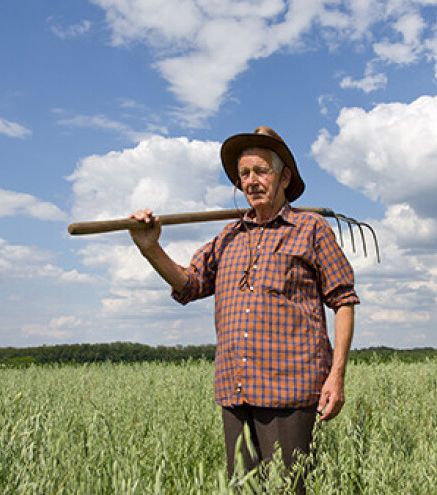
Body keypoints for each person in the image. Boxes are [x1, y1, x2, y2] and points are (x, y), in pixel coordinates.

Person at [129, 126, 359, 493]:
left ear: (285, 177)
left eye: (261, 171)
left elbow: (343, 300)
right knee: (243, 489)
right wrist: (150, 248)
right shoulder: (228, 237)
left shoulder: (310, 229)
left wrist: (337, 375)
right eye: (244, 174)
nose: (251, 181)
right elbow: (189, 285)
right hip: (236, 390)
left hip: (290, 390)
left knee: (288, 488)